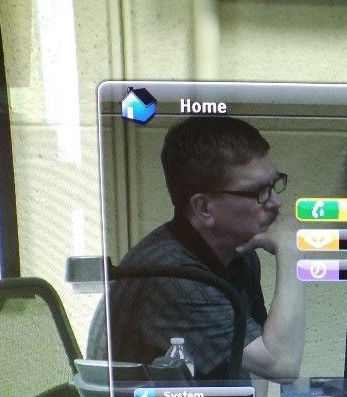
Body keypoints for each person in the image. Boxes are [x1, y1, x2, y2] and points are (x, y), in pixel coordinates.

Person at [86, 115, 305, 383]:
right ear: (203, 208)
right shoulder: (173, 277)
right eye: (259, 192)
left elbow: (253, 363)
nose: (276, 202)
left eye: (273, 185)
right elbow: (282, 364)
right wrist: (291, 252)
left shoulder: (238, 253)